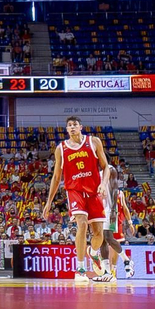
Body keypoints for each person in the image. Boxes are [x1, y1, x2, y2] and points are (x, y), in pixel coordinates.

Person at [44, 116, 109, 283]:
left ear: (81, 127)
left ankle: (93, 252)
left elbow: (105, 167)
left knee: (98, 233)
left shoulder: (93, 142)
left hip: (94, 191)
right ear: (67, 130)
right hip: (75, 191)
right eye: (69, 125)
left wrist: (103, 184)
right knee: (81, 223)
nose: (72, 127)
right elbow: (56, 177)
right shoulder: (61, 148)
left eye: (75, 124)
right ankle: (80, 269)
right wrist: (49, 202)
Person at [97, 161, 134, 282]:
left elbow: (114, 189)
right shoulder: (94, 171)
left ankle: (126, 260)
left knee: (108, 237)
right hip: (98, 207)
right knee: (101, 240)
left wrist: (113, 209)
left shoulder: (110, 169)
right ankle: (107, 272)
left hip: (108, 208)